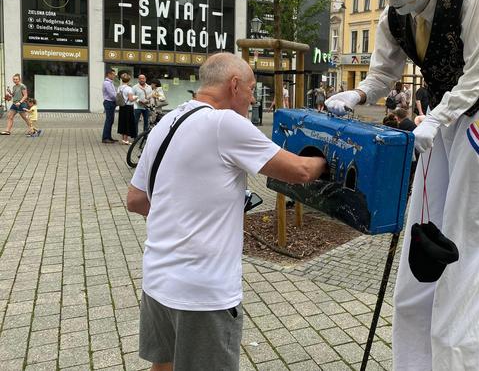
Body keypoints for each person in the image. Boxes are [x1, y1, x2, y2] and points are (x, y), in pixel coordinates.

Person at [325, 0, 479, 370]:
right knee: (424, 227)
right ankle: (416, 358)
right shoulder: (393, 15)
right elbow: (382, 73)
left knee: (467, 228)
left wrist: (439, 117)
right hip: (441, 114)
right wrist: (355, 95)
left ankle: (460, 357)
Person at [126, 53, 326, 371]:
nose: (251, 100)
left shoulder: (168, 120)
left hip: (157, 279)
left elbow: (136, 200)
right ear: (234, 85)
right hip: (202, 293)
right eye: (251, 90)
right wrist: (327, 159)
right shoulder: (225, 123)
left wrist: (183, 211)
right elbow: (300, 171)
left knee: (163, 366)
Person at [117, 73, 137, 145]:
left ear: (122, 80)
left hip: (122, 106)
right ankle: (126, 140)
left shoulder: (120, 87)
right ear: (129, 80)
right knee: (127, 123)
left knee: (122, 122)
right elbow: (131, 99)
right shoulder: (129, 89)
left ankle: (123, 139)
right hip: (128, 107)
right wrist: (136, 97)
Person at [102, 69, 117, 143]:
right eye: (113, 74)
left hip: (111, 103)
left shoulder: (110, 82)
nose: (114, 76)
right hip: (109, 102)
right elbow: (112, 95)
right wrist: (118, 99)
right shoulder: (107, 83)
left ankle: (109, 137)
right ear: (109, 74)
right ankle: (105, 138)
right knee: (109, 120)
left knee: (111, 121)